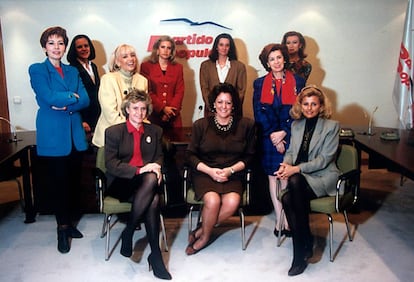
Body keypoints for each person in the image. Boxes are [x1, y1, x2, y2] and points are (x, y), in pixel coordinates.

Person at [28, 26, 90, 254]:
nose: (56, 47)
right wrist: (69, 97)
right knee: (59, 184)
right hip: (53, 133)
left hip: (74, 135)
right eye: (51, 43)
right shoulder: (37, 69)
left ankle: (70, 223)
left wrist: (65, 100)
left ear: (65, 46)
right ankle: (62, 229)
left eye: (61, 43)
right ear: (45, 47)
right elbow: (46, 97)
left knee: (73, 183)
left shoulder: (73, 71)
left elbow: (84, 100)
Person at [104, 89, 171, 280]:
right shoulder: (114, 132)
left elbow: (158, 156)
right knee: (152, 194)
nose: (139, 113)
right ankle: (154, 255)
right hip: (121, 181)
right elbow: (111, 164)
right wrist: (140, 170)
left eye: (143, 109)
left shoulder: (154, 131)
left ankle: (134, 236)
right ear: (127, 109)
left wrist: (156, 167)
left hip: (145, 183)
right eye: (135, 108)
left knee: (152, 195)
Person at [185, 83, 256, 255]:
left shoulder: (246, 125)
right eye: (220, 102)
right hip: (205, 173)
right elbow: (190, 155)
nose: (224, 106)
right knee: (213, 200)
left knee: (232, 203)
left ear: (233, 106)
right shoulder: (201, 125)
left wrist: (231, 170)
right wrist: (210, 171)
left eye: (228, 103)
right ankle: (204, 238)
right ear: (213, 104)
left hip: (233, 173)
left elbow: (249, 156)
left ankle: (202, 229)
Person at [275, 85, 339, 276]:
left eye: (314, 104)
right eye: (305, 104)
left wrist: (295, 169)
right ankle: (305, 242)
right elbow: (291, 152)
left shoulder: (331, 126)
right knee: (287, 198)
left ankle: (298, 254)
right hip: (299, 177)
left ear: (321, 106)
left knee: (293, 182)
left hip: (323, 176)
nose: (309, 108)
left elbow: (324, 160)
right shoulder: (296, 125)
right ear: (300, 106)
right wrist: (284, 165)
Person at [253, 43, 305, 239]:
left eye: (279, 57)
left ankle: (288, 217)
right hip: (269, 137)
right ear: (267, 63)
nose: (276, 62)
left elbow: (300, 111)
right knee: (273, 177)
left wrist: (283, 132)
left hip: (291, 134)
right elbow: (259, 112)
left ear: (285, 58)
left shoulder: (298, 81)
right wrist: (274, 136)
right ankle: (279, 219)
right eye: (272, 59)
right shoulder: (259, 84)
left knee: (286, 177)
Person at [92, 44, 148, 148]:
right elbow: (110, 114)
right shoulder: (108, 79)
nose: (131, 59)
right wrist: (130, 129)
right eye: (125, 56)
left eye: (132, 55)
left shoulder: (142, 80)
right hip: (111, 136)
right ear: (117, 62)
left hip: (136, 136)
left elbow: (144, 110)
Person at [140, 35, 184, 129]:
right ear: (157, 50)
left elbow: (179, 92)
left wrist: (170, 112)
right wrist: (163, 109)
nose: (165, 50)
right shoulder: (146, 66)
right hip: (154, 114)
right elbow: (147, 91)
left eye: (169, 48)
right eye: (163, 47)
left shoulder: (178, 68)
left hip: (173, 115)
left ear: (172, 51)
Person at [200, 33, 246, 117]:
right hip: (211, 114)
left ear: (230, 48)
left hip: (233, 114)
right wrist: (213, 108)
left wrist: (230, 108)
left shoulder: (239, 67)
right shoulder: (205, 66)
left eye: (227, 45)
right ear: (216, 47)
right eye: (221, 45)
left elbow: (241, 91)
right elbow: (204, 89)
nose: (224, 48)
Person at [67, 34, 101, 137]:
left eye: (86, 46)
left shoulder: (93, 66)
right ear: (74, 50)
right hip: (83, 119)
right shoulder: (71, 69)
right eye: (79, 47)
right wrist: (81, 120)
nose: (84, 49)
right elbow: (73, 97)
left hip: (96, 116)